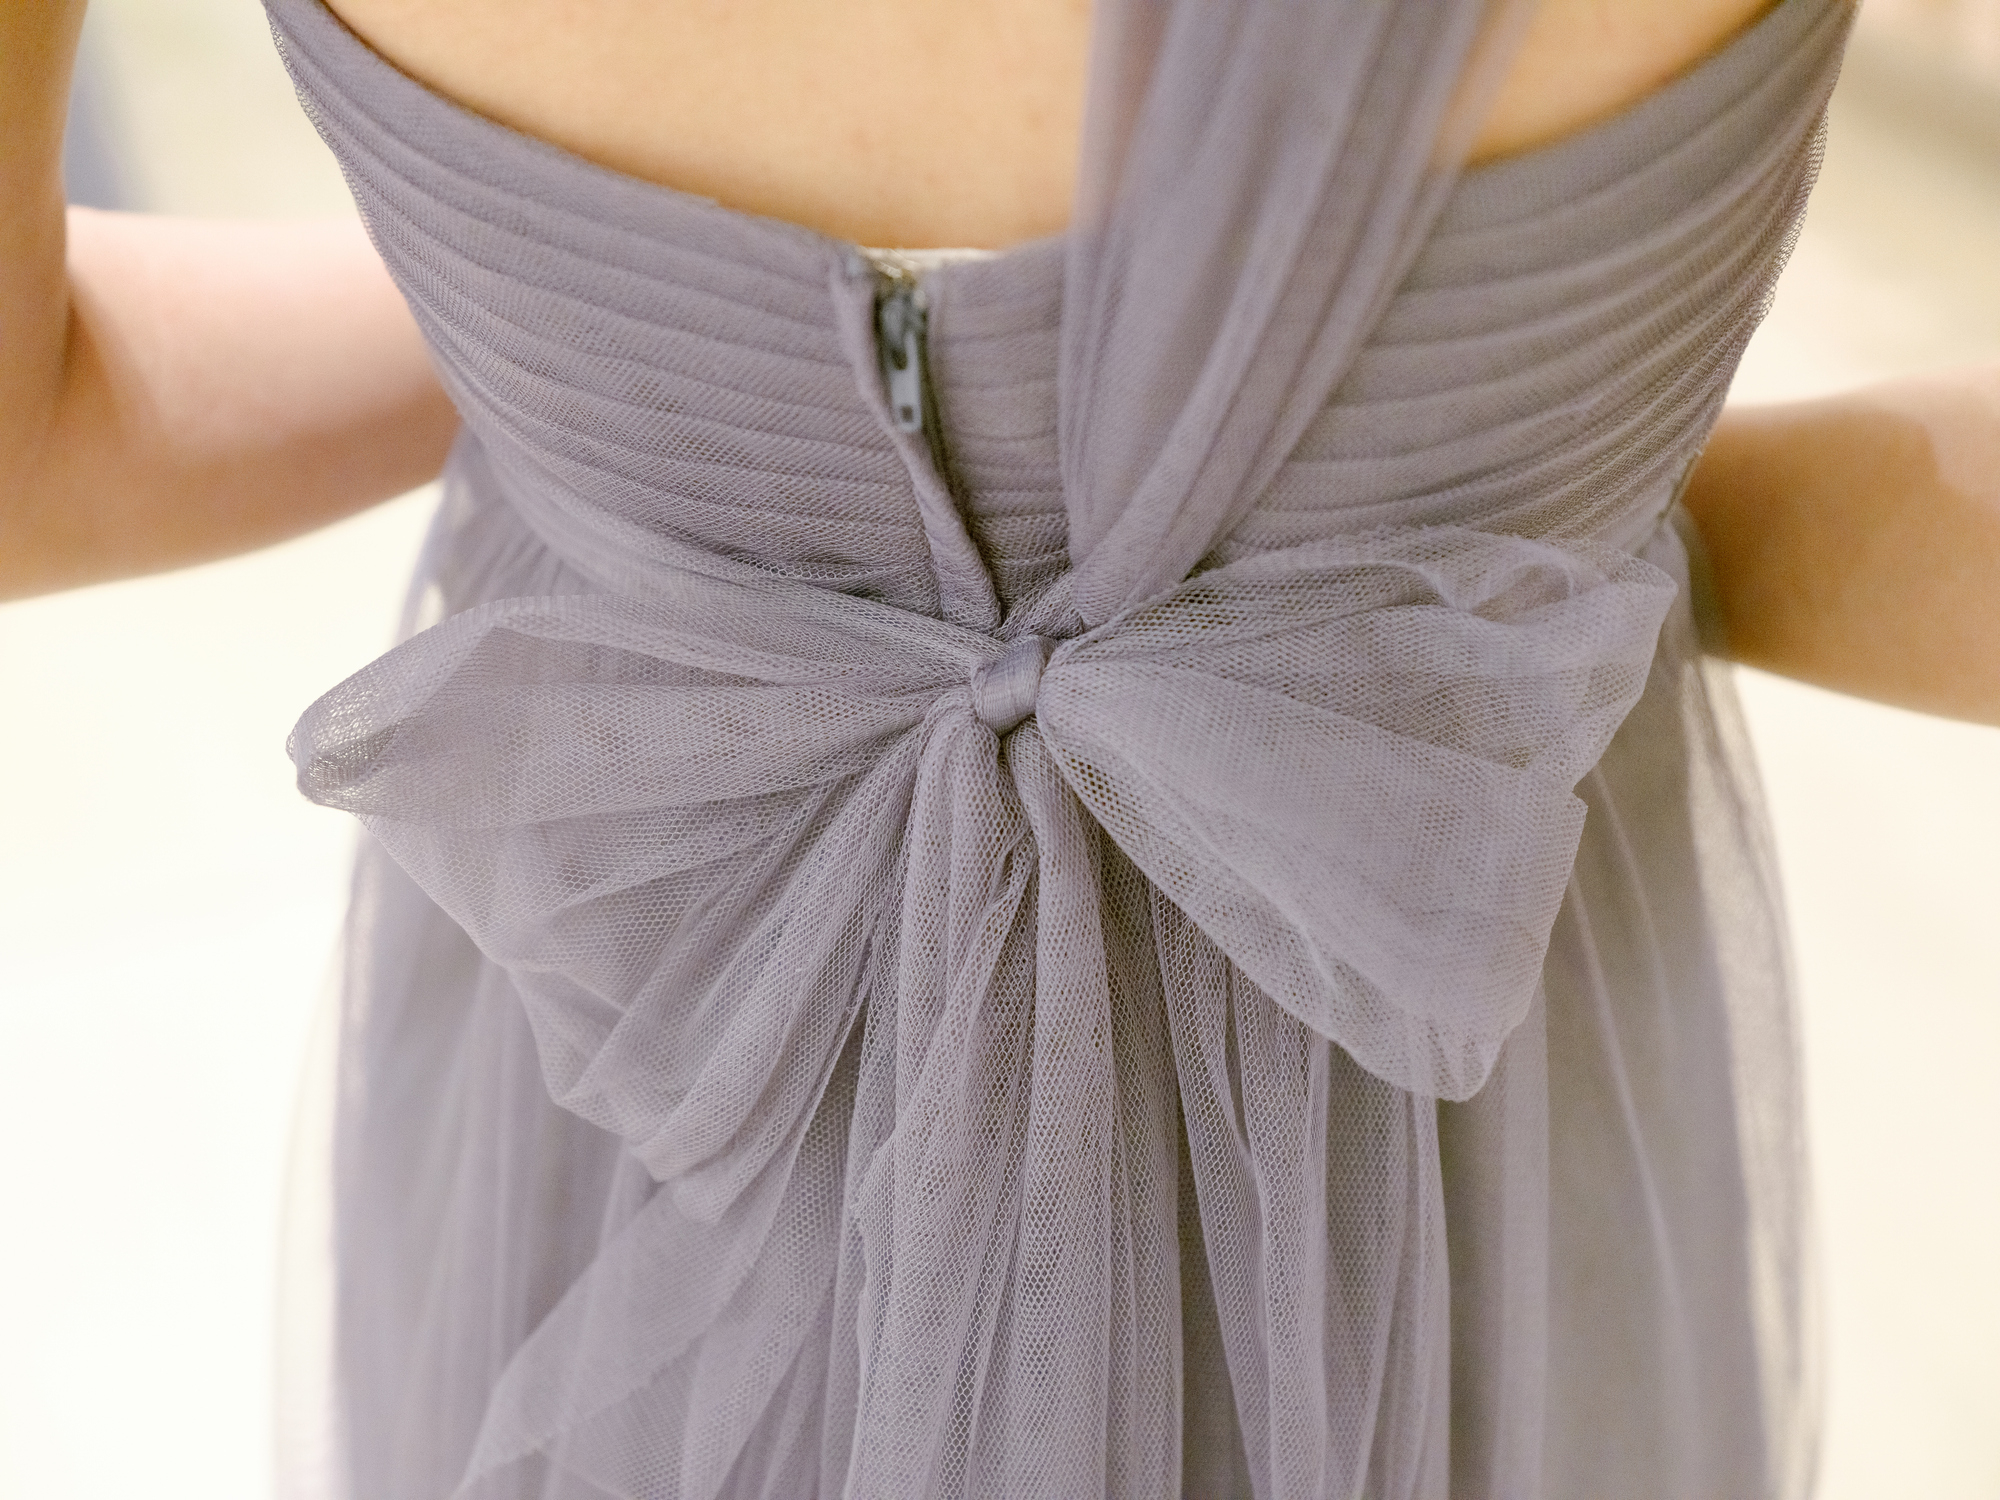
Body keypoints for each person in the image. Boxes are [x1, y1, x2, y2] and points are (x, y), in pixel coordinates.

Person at [3, 1, 1995, 1496]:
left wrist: (581, 356)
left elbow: (31, 432)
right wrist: (1516, 554)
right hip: (1460, 1158)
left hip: (660, 1073)